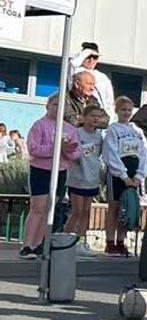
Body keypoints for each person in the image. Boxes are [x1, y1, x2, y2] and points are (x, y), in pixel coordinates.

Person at [19, 94, 81, 259]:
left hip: (60, 171)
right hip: (41, 170)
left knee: (50, 208)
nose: (58, 107)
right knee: (37, 207)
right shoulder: (39, 125)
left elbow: (76, 152)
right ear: (47, 106)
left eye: (63, 105)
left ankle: (39, 243)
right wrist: (55, 148)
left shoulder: (69, 129)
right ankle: (27, 244)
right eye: (55, 104)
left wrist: (68, 151)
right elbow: (33, 148)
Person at [102, 96, 147, 256]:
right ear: (117, 111)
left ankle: (121, 241)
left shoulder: (137, 131)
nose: (126, 113)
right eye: (123, 110)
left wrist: (139, 176)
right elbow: (110, 154)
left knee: (126, 207)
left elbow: (143, 153)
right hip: (117, 175)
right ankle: (109, 242)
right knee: (114, 207)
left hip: (134, 173)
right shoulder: (113, 130)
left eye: (129, 110)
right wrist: (123, 175)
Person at [64, 105, 106, 257]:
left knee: (86, 212)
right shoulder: (77, 133)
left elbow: (99, 155)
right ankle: (66, 240)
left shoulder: (99, 137)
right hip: (77, 177)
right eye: (92, 115)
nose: (95, 119)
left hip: (92, 178)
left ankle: (81, 242)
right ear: (84, 117)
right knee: (77, 211)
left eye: (98, 116)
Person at [68, 42, 115, 116]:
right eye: (88, 57)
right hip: (80, 113)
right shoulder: (77, 71)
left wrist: (109, 119)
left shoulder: (103, 77)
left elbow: (109, 102)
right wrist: (86, 52)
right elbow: (72, 63)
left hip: (100, 117)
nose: (91, 60)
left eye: (95, 57)